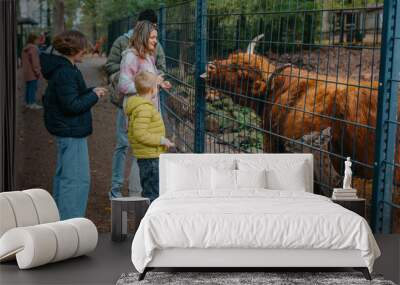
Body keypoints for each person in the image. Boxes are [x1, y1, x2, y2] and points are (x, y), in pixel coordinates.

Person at [41, 30, 107, 220]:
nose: (85, 51)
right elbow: (72, 105)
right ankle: (71, 224)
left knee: (65, 178)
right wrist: (94, 96)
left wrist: (91, 91)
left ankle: (61, 219)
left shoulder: (64, 69)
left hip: (67, 130)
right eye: (82, 48)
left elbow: (72, 96)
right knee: (76, 180)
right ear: (74, 50)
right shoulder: (65, 72)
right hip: (71, 131)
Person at [105, 9, 166, 199]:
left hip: (150, 107)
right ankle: (116, 189)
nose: (155, 37)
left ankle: (136, 191)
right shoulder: (126, 48)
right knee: (124, 145)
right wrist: (144, 84)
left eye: (155, 30)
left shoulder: (152, 50)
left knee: (146, 151)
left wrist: (159, 81)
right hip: (134, 107)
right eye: (152, 31)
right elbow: (114, 70)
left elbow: (160, 69)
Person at [125, 71, 174, 202]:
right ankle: (151, 219)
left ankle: (150, 217)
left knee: (151, 190)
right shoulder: (144, 109)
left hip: (148, 156)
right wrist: (161, 140)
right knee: (153, 193)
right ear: (153, 90)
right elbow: (140, 133)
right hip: (150, 157)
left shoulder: (140, 105)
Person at [21, 33, 42, 109]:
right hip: (32, 72)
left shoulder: (25, 48)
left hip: (26, 71)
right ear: (34, 40)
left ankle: (27, 102)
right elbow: (35, 61)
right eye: (37, 39)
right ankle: (32, 103)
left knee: (28, 87)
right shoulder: (34, 48)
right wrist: (37, 71)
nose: (38, 41)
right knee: (33, 87)